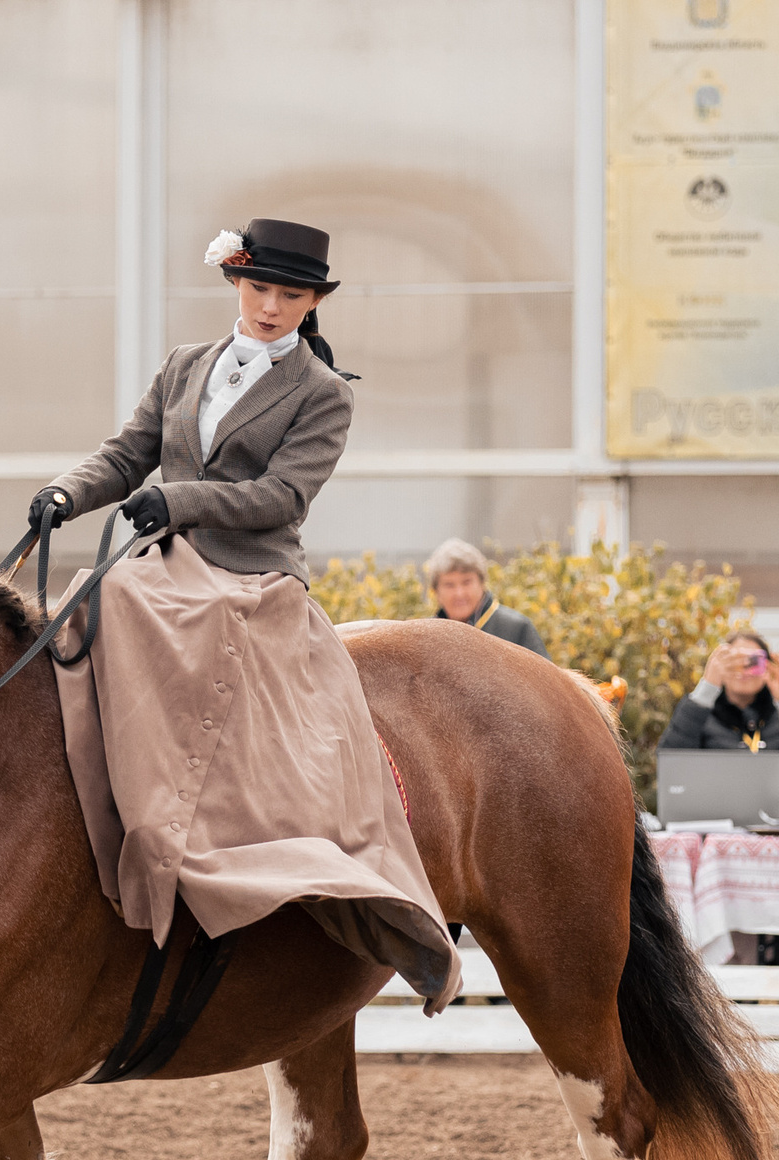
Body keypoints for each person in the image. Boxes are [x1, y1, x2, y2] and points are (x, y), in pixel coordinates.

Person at [25, 218, 459, 1008]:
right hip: (168, 557)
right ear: (236, 282)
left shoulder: (324, 395)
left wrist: (177, 499)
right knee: (78, 607)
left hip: (249, 572)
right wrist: (67, 492)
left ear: (311, 302)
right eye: (260, 288)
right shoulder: (186, 365)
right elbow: (127, 455)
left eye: (290, 295)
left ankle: (174, 837)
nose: (271, 307)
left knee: (122, 598)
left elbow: (281, 498)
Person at [659, 629, 779, 818]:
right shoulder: (699, 715)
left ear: (767, 667)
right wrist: (707, 689)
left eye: (754, 662)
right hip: (717, 826)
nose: (744, 670)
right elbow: (670, 766)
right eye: (733, 662)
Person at [421, 537, 547, 657]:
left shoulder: (517, 629)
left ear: (482, 584)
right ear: (436, 591)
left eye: (467, 582)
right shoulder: (425, 636)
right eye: (449, 585)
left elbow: (545, 678)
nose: (459, 593)